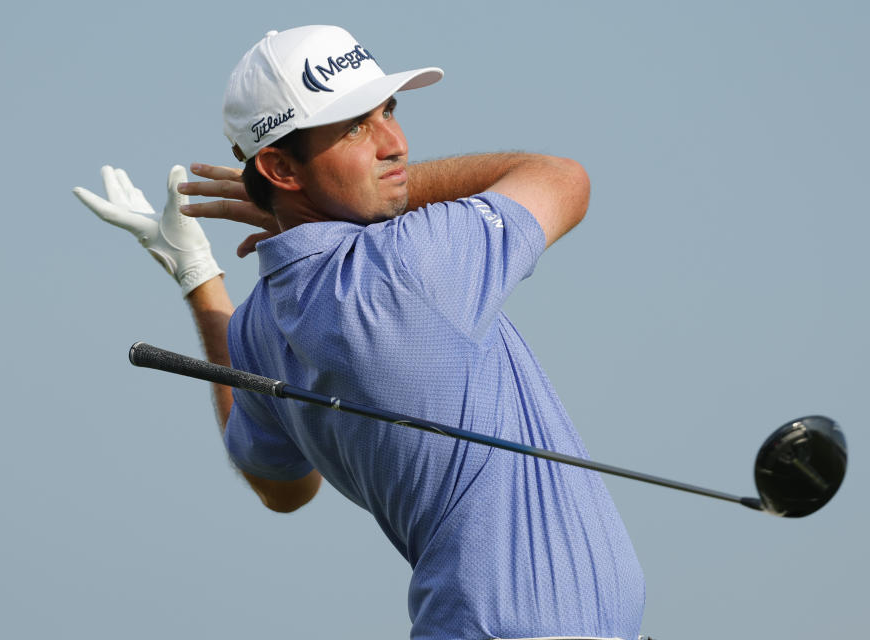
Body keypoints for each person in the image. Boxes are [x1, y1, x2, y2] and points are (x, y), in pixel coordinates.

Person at [75, 26, 645, 640]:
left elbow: (282, 487)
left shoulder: (259, 324)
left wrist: (200, 276)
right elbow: (560, 177)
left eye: (388, 111)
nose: (395, 143)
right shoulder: (408, 265)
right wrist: (290, 205)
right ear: (277, 167)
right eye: (354, 128)